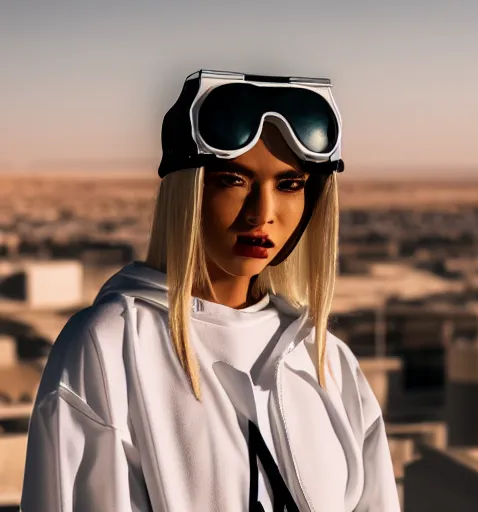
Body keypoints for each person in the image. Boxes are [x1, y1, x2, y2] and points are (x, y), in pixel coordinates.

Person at [21, 69, 401, 511]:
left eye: (290, 184)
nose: (263, 213)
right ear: (188, 190)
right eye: (232, 180)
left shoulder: (329, 364)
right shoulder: (111, 346)